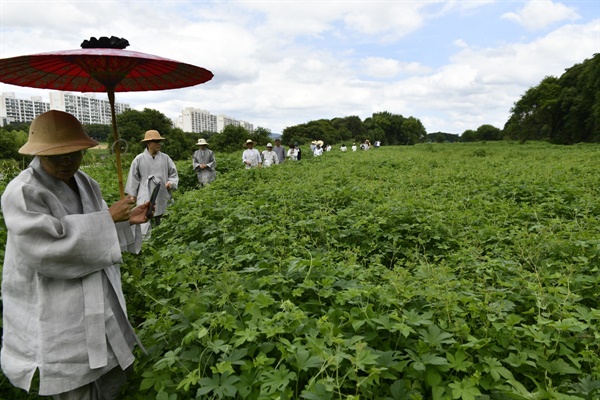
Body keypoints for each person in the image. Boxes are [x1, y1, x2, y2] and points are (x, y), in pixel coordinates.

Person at [0, 110, 149, 400]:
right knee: (75, 385)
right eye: (56, 156)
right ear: (39, 153)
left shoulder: (87, 183)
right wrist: (107, 219)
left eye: (73, 153)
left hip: (99, 295)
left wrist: (126, 220)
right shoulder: (23, 191)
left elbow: (103, 233)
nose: (66, 162)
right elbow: (45, 251)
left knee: (112, 378)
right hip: (57, 306)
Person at [125, 130, 179, 235]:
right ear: (148, 143)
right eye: (155, 141)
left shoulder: (165, 158)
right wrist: (132, 196)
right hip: (144, 193)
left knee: (163, 219)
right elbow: (133, 178)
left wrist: (170, 183)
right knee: (144, 219)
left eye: (159, 141)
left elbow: (173, 174)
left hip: (162, 193)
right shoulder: (139, 159)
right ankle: (145, 243)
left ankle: (162, 241)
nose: (159, 144)